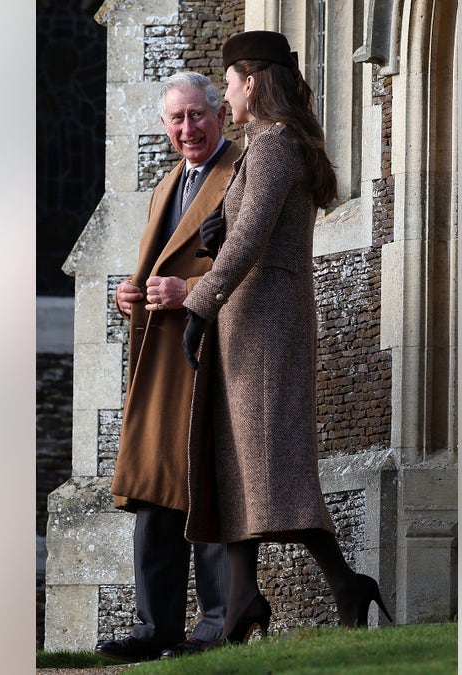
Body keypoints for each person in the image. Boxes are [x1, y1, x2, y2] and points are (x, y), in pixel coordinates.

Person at [180, 31, 394, 644]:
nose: (226, 95)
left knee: (278, 474)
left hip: (265, 330)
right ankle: (244, 599)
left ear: (252, 80)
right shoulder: (267, 146)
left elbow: (252, 243)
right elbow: (249, 232)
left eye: (229, 82)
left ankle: (346, 584)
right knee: (241, 464)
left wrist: (198, 304)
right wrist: (220, 234)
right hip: (249, 325)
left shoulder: (273, 145)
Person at [96, 72, 242, 662]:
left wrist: (192, 291)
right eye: (177, 120)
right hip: (162, 360)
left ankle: (214, 624)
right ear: (165, 126)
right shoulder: (167, 186)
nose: (188, 129)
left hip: (216, 354)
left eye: (198, 116)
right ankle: (153, 626)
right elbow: (157, 268)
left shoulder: (244, 174)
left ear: (220, 115)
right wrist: (131, 293)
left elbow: (262, 270)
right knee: (156, 490)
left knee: (205, 484)